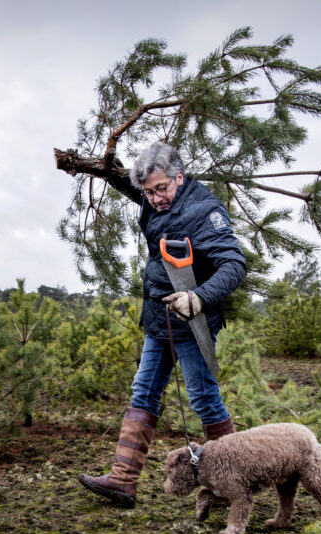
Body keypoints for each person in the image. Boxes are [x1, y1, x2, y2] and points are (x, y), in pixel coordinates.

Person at [78, 142, 248, 506]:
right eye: (148, 192)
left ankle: (232, 483)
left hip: (192, 320)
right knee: (143, 392)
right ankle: (123, 480)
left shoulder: (205, 212)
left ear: (180, 177)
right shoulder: (153, 196)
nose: (155, 199)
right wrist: (98, 167)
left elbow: (234, 265)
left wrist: (198, 297)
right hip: (159, 318)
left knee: (204, 399)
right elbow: (131, 185)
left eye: (161, 189)